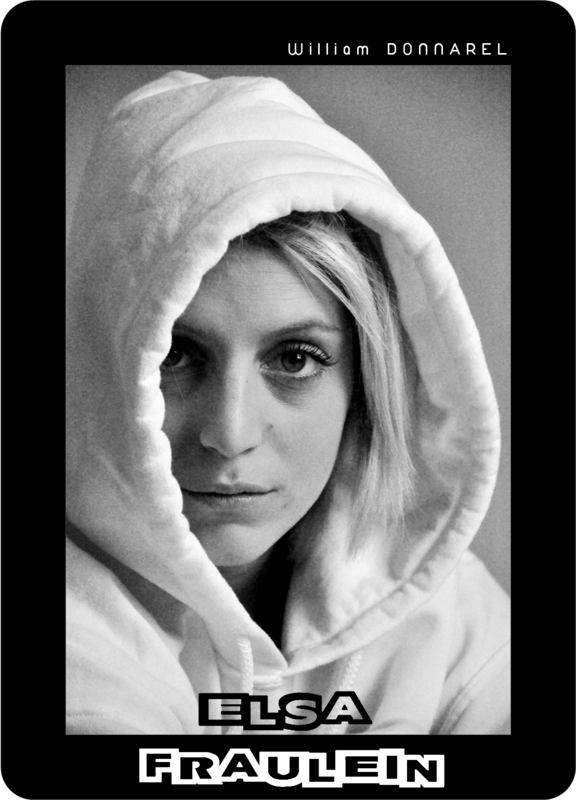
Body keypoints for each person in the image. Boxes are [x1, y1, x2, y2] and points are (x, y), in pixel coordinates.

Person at [66, 71, 510, 735]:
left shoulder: (449, 623)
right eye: (175, 355)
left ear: (365, 387)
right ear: (101, 368)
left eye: (295, 359)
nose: (230, 432)